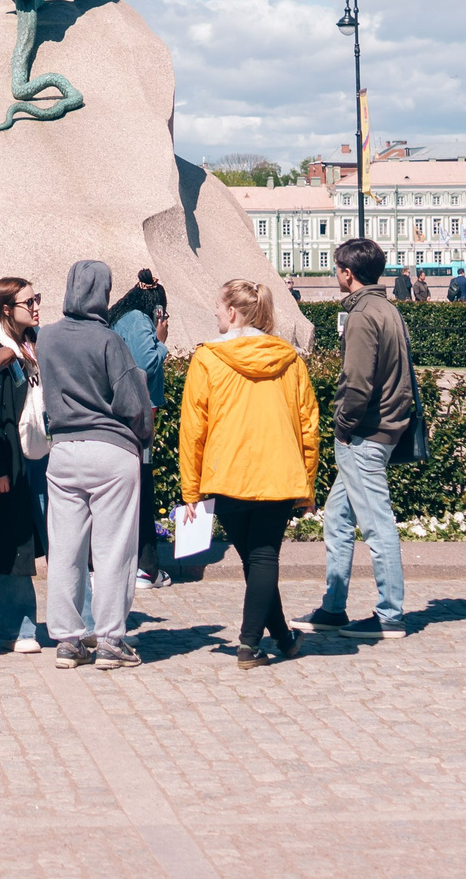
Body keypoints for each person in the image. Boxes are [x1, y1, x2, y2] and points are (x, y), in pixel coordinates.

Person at [177, 279, 321, 667]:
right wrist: (306, 486)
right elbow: (309, 425)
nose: (215, 312)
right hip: (278, 472)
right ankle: (279, 640)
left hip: (227, 474)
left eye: (219, 307)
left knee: (255, 559)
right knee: (261, 560)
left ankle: (249, 642)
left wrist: (191, 490)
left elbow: (193, 429)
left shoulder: (207, 358)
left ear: (233, 313)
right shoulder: (290, 359)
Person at [303, 237, 424, 633]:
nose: (335, 274)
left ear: (347, 273)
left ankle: (390, 614)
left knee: (376, 524)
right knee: (338, 516)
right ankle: (333, 607)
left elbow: (356, 384)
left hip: (365, 436)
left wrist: (342, 428)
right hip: (382, 431)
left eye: (337, 268)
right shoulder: (387, 308)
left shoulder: (361, 315)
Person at [40, 259, 154, 671]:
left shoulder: (47, 338)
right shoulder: (109, 340)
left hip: (65, 451)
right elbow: (132, 403)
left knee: (66, 548)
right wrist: (144, 435)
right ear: (103, 294)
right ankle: (109, 639)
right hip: (111, 451)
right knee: (113, 550)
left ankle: (68, 640)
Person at [0, 277, 48, 652]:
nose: (36, 307)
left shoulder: (29, 343)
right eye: (28, 302)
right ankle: (18, 629)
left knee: (39, 542)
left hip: (40, 456)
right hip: (10, 460)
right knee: (13, 544)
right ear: (5, 309)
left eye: (37, 299)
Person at [108, 275, 170, 590]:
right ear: (156, 308)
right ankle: (145, 568)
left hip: (125, 417)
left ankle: (137, 566)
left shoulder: (124, 318)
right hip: (135, 419)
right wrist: (160, 339)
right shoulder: (138, 321)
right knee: (141, 492)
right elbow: (146, 361)